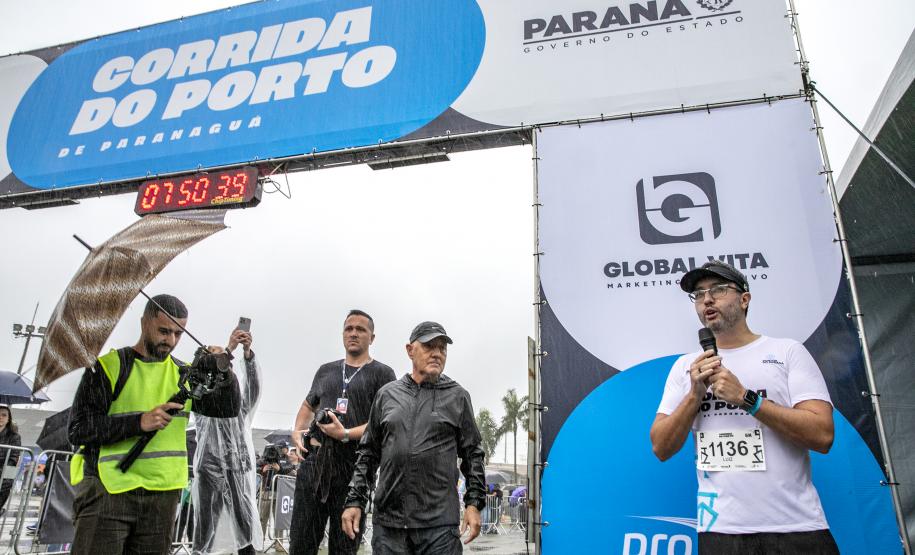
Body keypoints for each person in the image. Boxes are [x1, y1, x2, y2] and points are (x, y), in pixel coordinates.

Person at [649, 261, 838, 553]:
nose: (707, 299)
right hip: (722, 531)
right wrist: (694, 395)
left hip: (796, 526)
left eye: (718, 289)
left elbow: (823, 435)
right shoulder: (686, 367)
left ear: (744, 299)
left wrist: (747, 399)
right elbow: (661, 447)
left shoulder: (786, 352)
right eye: (698, 295)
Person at [68, 294, 241, 554]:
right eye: (163, 331)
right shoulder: (108, 367)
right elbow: (79, 429)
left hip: (163, 496)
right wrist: (139, 422)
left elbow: (228, 409)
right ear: (144, 323)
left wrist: (225, 372)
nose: (170, 340)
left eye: (177, 333)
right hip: (109, 491)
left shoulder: (184, 375)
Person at [343, 321, 487, 554]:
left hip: (439, 527)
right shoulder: (387, 395)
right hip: (390, 527)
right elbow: (368, 453)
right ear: (410, 350)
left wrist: (474, 503)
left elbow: (473, 455)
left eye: (442, 348)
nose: (437, 353)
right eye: (430, 346)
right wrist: (354, 501)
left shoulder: (457, 397)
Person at [288, 309, 396, 555]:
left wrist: (345, 433)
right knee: (301, 543)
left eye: (361, 330)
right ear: (342, 334)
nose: (354, 334)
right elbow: (308, 404)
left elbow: (381, 422)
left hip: (353, 467)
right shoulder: (326, 370)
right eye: (349, 329)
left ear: (372, 337)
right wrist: (297, 430)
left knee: (344, 546)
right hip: (315, 463)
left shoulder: (383, 374)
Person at [191, 327, 263, 555]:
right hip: (208, 466)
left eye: (224, 358)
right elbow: (204, 373)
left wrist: (248, 354)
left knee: (244, 526)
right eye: (215, 356)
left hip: (235, 464)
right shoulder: (201, 396)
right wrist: (228, 349)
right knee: (204, 529)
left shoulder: (236, 403)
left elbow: (254, 389)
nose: (222, 361)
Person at [0, 405, 21, 514]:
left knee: (5, 486)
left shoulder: (14, 437)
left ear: (8, 419)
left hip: (4, 471)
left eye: (4, 415)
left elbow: (13, 457)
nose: (1, 417)